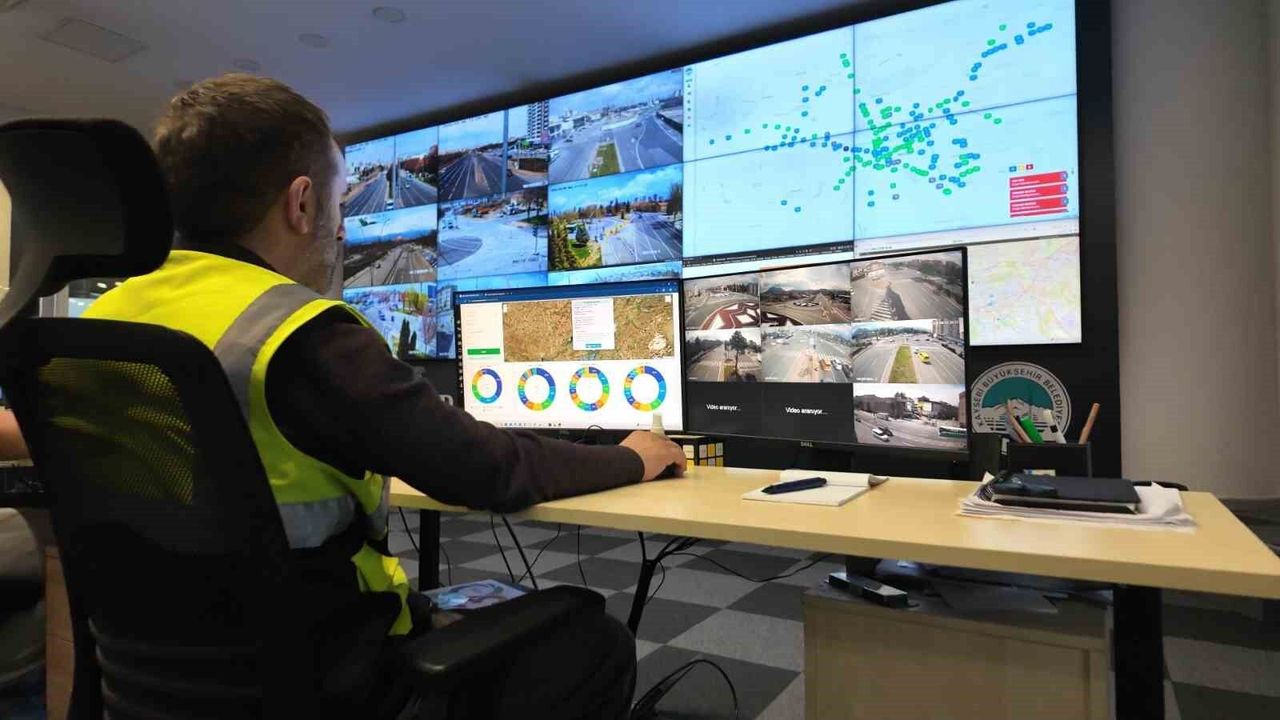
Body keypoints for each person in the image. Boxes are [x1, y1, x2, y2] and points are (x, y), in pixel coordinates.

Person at [6, 74, 687, 717]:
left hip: (156, 679)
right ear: (302, 203)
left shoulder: (99, 322)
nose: (339, 229)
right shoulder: (300, 330)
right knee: (591, 639)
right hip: (323, 680)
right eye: (338, 206)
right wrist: (633, 455)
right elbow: (490, 469)